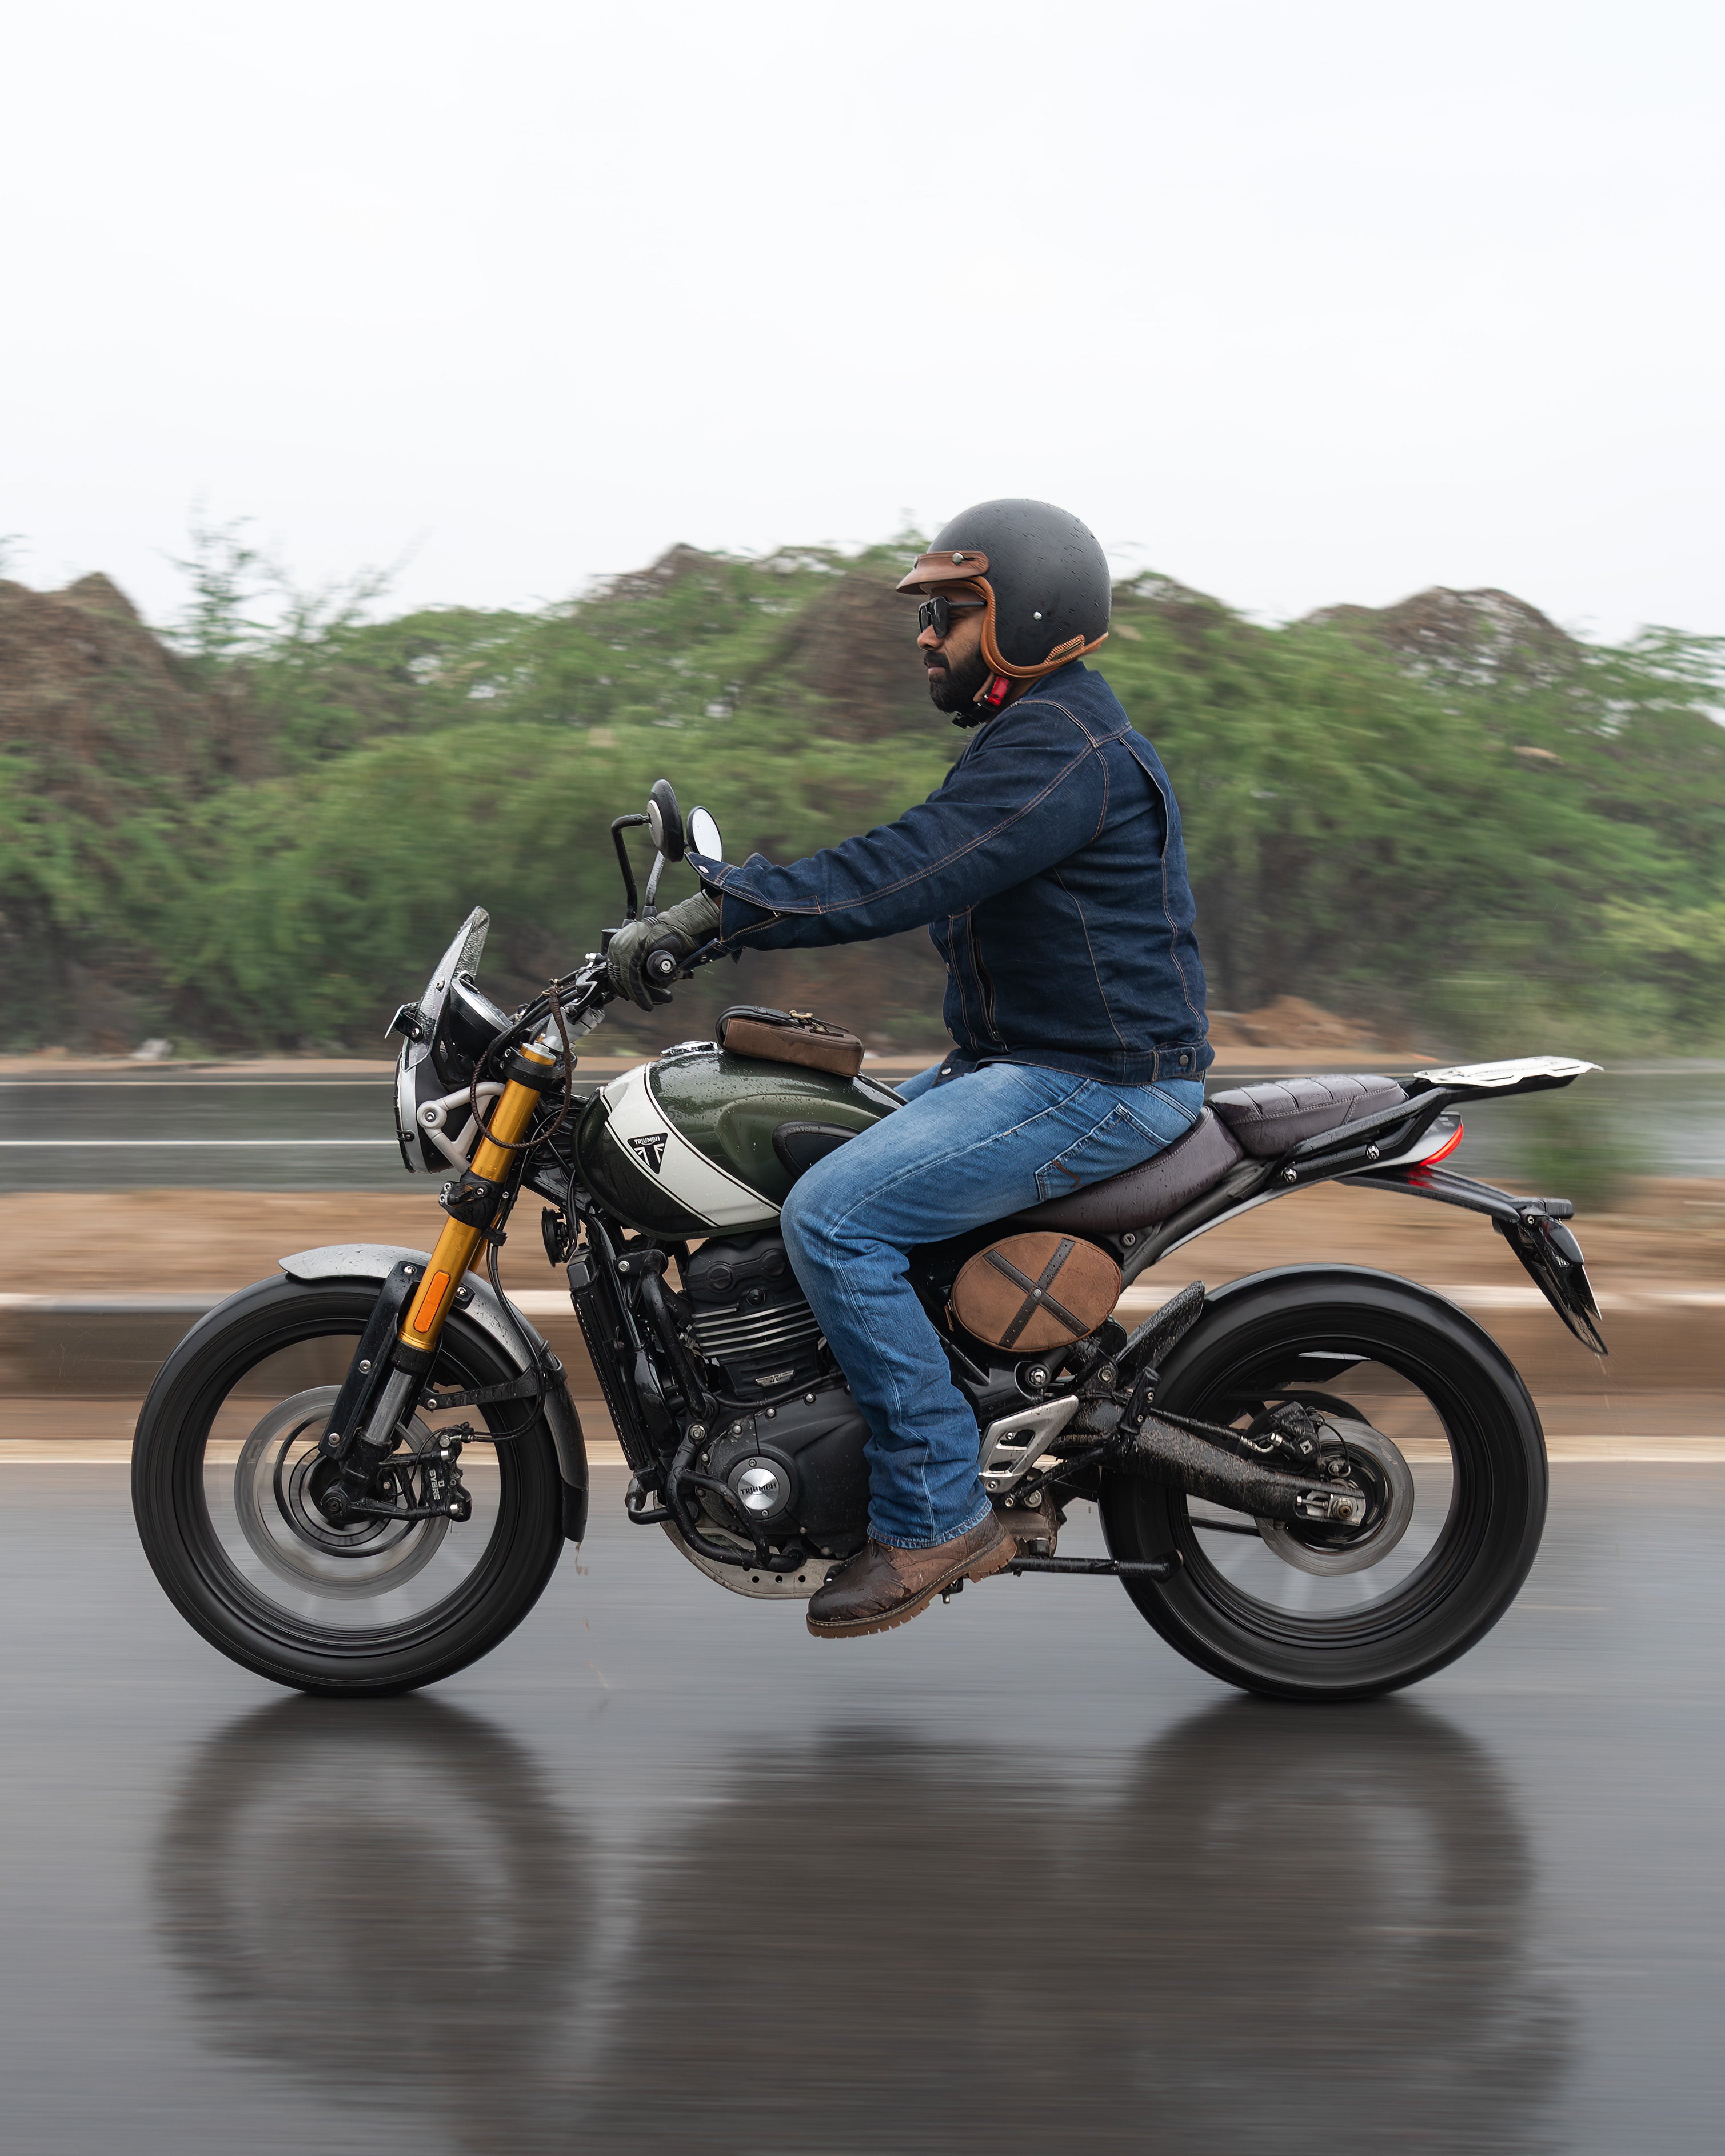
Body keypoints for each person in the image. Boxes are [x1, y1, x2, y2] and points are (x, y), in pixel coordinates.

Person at [605, 499, 1211, 1640]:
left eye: (949, 611)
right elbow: (917, 862)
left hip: (1098, 1083)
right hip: (1027, 1064)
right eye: (926, 612)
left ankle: (934, 1511)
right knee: (816, 1146)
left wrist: (720, 913)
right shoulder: (1038, 741)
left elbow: (905, 872)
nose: (925, 634)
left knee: (836, 1216)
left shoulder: (1059, 748)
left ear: (1028, 615)